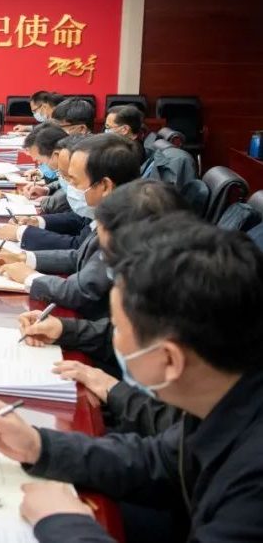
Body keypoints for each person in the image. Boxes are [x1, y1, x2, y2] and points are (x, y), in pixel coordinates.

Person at [0, 215, 263, 543]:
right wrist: (39, 446)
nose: (113, 338)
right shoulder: (225, 397)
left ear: (170, 360)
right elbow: (157, 461)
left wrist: (65, 523)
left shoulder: (252, 487)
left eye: (118, 329)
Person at [18, 181, 190, 437]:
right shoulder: (160, 284)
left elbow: (165, 439)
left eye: (110, 257)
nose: (105, 266)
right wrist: (64, 329)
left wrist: (112, 388)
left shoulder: (184, 308)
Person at [0, 134, 141, 318]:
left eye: (74, 181)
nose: (69, 187)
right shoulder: (111, 212)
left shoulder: (125, 228)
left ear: (105, 186)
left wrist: (30, 277)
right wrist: (23, 257)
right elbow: (79, 256)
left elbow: (82, 291)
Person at [105, 104, 153, 174]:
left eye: (108, 127)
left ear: (125, 129)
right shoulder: (126, 143)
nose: (106, 131)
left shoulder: (129, 152)